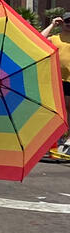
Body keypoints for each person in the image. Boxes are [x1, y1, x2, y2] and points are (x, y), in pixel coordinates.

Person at [41, 14, 70, 154]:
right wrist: (52, 24)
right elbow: (39, 39)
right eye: (67, 21)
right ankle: (56, 139)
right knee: (58, 111)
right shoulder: (54, 38)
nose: (69, 24)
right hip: (57, 80)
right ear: (63, 22)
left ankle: (68, 140)